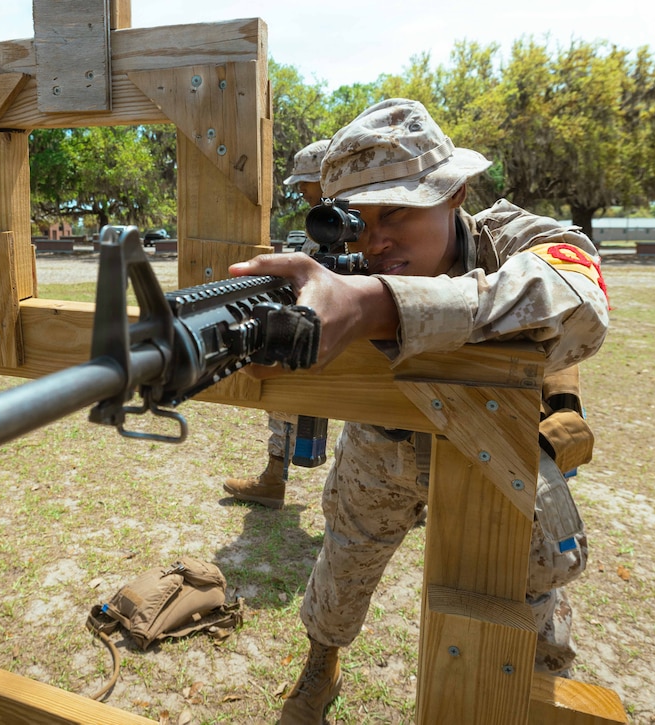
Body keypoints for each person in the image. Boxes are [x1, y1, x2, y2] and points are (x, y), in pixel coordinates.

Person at [226, 99, 608, 723]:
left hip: (492, 447)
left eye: (397, 210)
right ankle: (321, 667)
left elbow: (578, 303)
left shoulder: (514, 239)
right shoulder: (332, 264)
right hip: (382, 446)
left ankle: (538, 703)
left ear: (454, 191)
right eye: (357, 218)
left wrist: (381, 305)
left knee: (528, 606)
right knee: (343, 566)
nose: (375, 241)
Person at [224, 139, 330, 509]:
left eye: (307, 181)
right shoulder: (327, 225)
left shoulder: (339, 224)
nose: (301, 189)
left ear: (328, 178)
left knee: (283, 395)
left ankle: (272, 480)